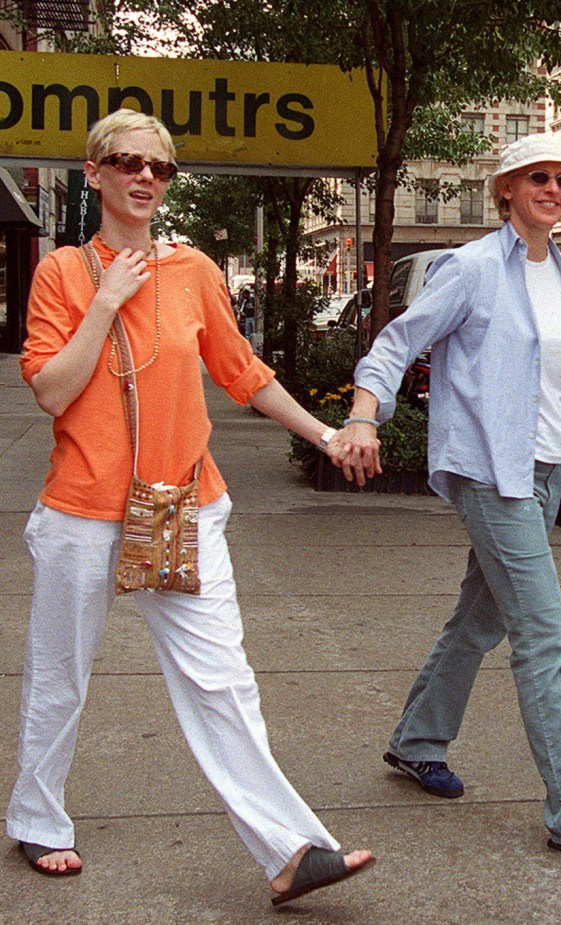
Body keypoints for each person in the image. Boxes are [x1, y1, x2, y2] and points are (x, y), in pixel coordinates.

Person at [6, 108, 374, 903]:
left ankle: (290, 850)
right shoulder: (63, 274)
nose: (144, 176)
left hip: (182, 506)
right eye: (127, 161)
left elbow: (243, 372)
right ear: (95, 171)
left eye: (160, 167)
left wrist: (326, 434)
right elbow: (50, 390)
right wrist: (105, 299)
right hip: (82, 510)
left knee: (223, 681)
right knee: (60, 673)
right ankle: (38, 816)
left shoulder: (196, 270)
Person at [332, 133, 561, 860]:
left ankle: (417, 739)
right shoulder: (473, 267)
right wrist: (361, 415)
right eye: (537, 177)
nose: (554, 189)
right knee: (545, 635)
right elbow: (395, 341)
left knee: (479, 620)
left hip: (544, 472)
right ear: (505, 188)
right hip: (490, 473)